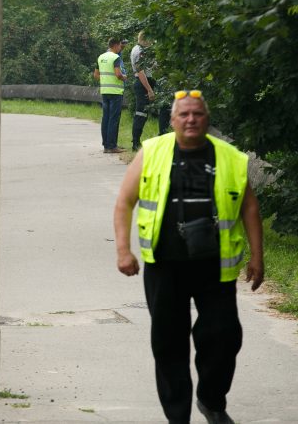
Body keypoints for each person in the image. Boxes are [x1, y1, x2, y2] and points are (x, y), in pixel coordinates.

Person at [112, 90, 265, 424]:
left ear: (207, 119)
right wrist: (124, 251)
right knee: (169, 344)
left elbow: (250, 208)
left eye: (197, 114)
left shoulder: (231, 158)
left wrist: (258, 257)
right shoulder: (152, 151)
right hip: (165, 265)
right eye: (184, 115)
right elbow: (125, 201)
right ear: (172, 120)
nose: (191, 119)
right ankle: (177, 416)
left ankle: (211, 400)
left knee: (224, 337)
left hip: (215, 266)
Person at [130, 31, 170, 150]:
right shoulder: (138, 51)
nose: (152, 42)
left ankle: (162, 137)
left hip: (150, 81)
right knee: (141, 113)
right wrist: (149, 90)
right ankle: (136, 143)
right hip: (143, 83)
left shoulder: (146, 50)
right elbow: (140, 72)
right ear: (145, 39)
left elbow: (152, 67)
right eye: (151, 40)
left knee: (165, 106)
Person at [94, 37, 128, 153]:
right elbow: (118, 74)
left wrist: (106, 80)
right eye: (119, 46)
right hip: (116, 92)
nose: (120, 48)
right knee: (114, 118)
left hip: (105, 91)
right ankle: (112, 146)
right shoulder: (116, 57)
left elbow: (96, 75)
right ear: (116, 45)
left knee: (106, 118)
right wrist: (124, 77)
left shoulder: (101, 57)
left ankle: (106, 145)